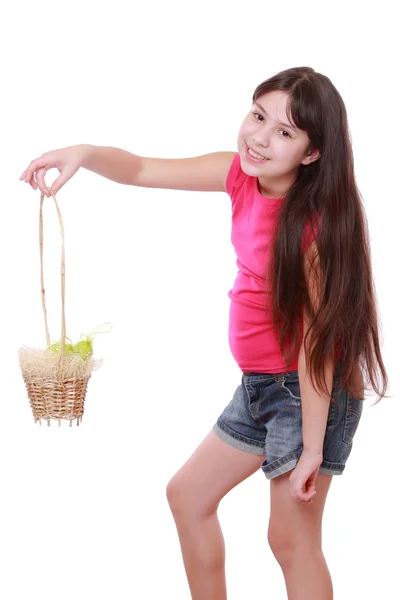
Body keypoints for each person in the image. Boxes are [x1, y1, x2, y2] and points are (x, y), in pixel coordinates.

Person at [20, 66, 388, 600]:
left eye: (284, 132)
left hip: (308, 396)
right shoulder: (239, 176)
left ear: (312, 153)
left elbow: (315, 347)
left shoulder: (313, 228)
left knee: (290, 542)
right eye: (258, 116)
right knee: (188, 497)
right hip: (260, 387)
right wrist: (84, 153)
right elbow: (144, 168)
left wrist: (312, 448)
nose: (259, 137)